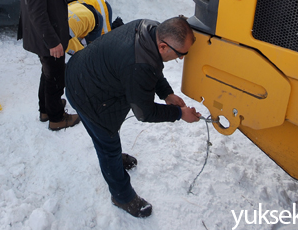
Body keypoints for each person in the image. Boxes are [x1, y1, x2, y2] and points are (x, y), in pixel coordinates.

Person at [65, 16, 202, 218]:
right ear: (164, 46)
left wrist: (166, 93)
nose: (182, 58)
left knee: (108, 137)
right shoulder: (139, 64)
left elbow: (151, 66)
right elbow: (144, 112)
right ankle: (122, 196)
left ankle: (114, 160)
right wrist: (180, 114)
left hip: (86, 71)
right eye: (181, 54)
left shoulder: (149, 29)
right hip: (86, 94)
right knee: (107, 144)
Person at [17, 0, 80, 131]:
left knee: (48, 73)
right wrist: (53, 41)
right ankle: (56, 118)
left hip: (48, 33)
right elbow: (36, 10)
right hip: (47, 36)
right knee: (55, 77)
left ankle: (46, 108)